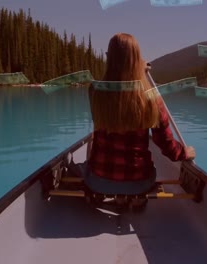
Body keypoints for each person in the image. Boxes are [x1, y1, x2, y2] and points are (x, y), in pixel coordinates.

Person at [80, 33, 195, 199]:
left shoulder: (95, 91)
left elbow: (98, 122)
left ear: (109, 58)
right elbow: (164, 142)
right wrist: (184, 153)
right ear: (137, 60)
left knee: (82, 167)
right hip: (139, 182)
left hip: (98, 181)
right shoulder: (152, 98)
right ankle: (136, 200)